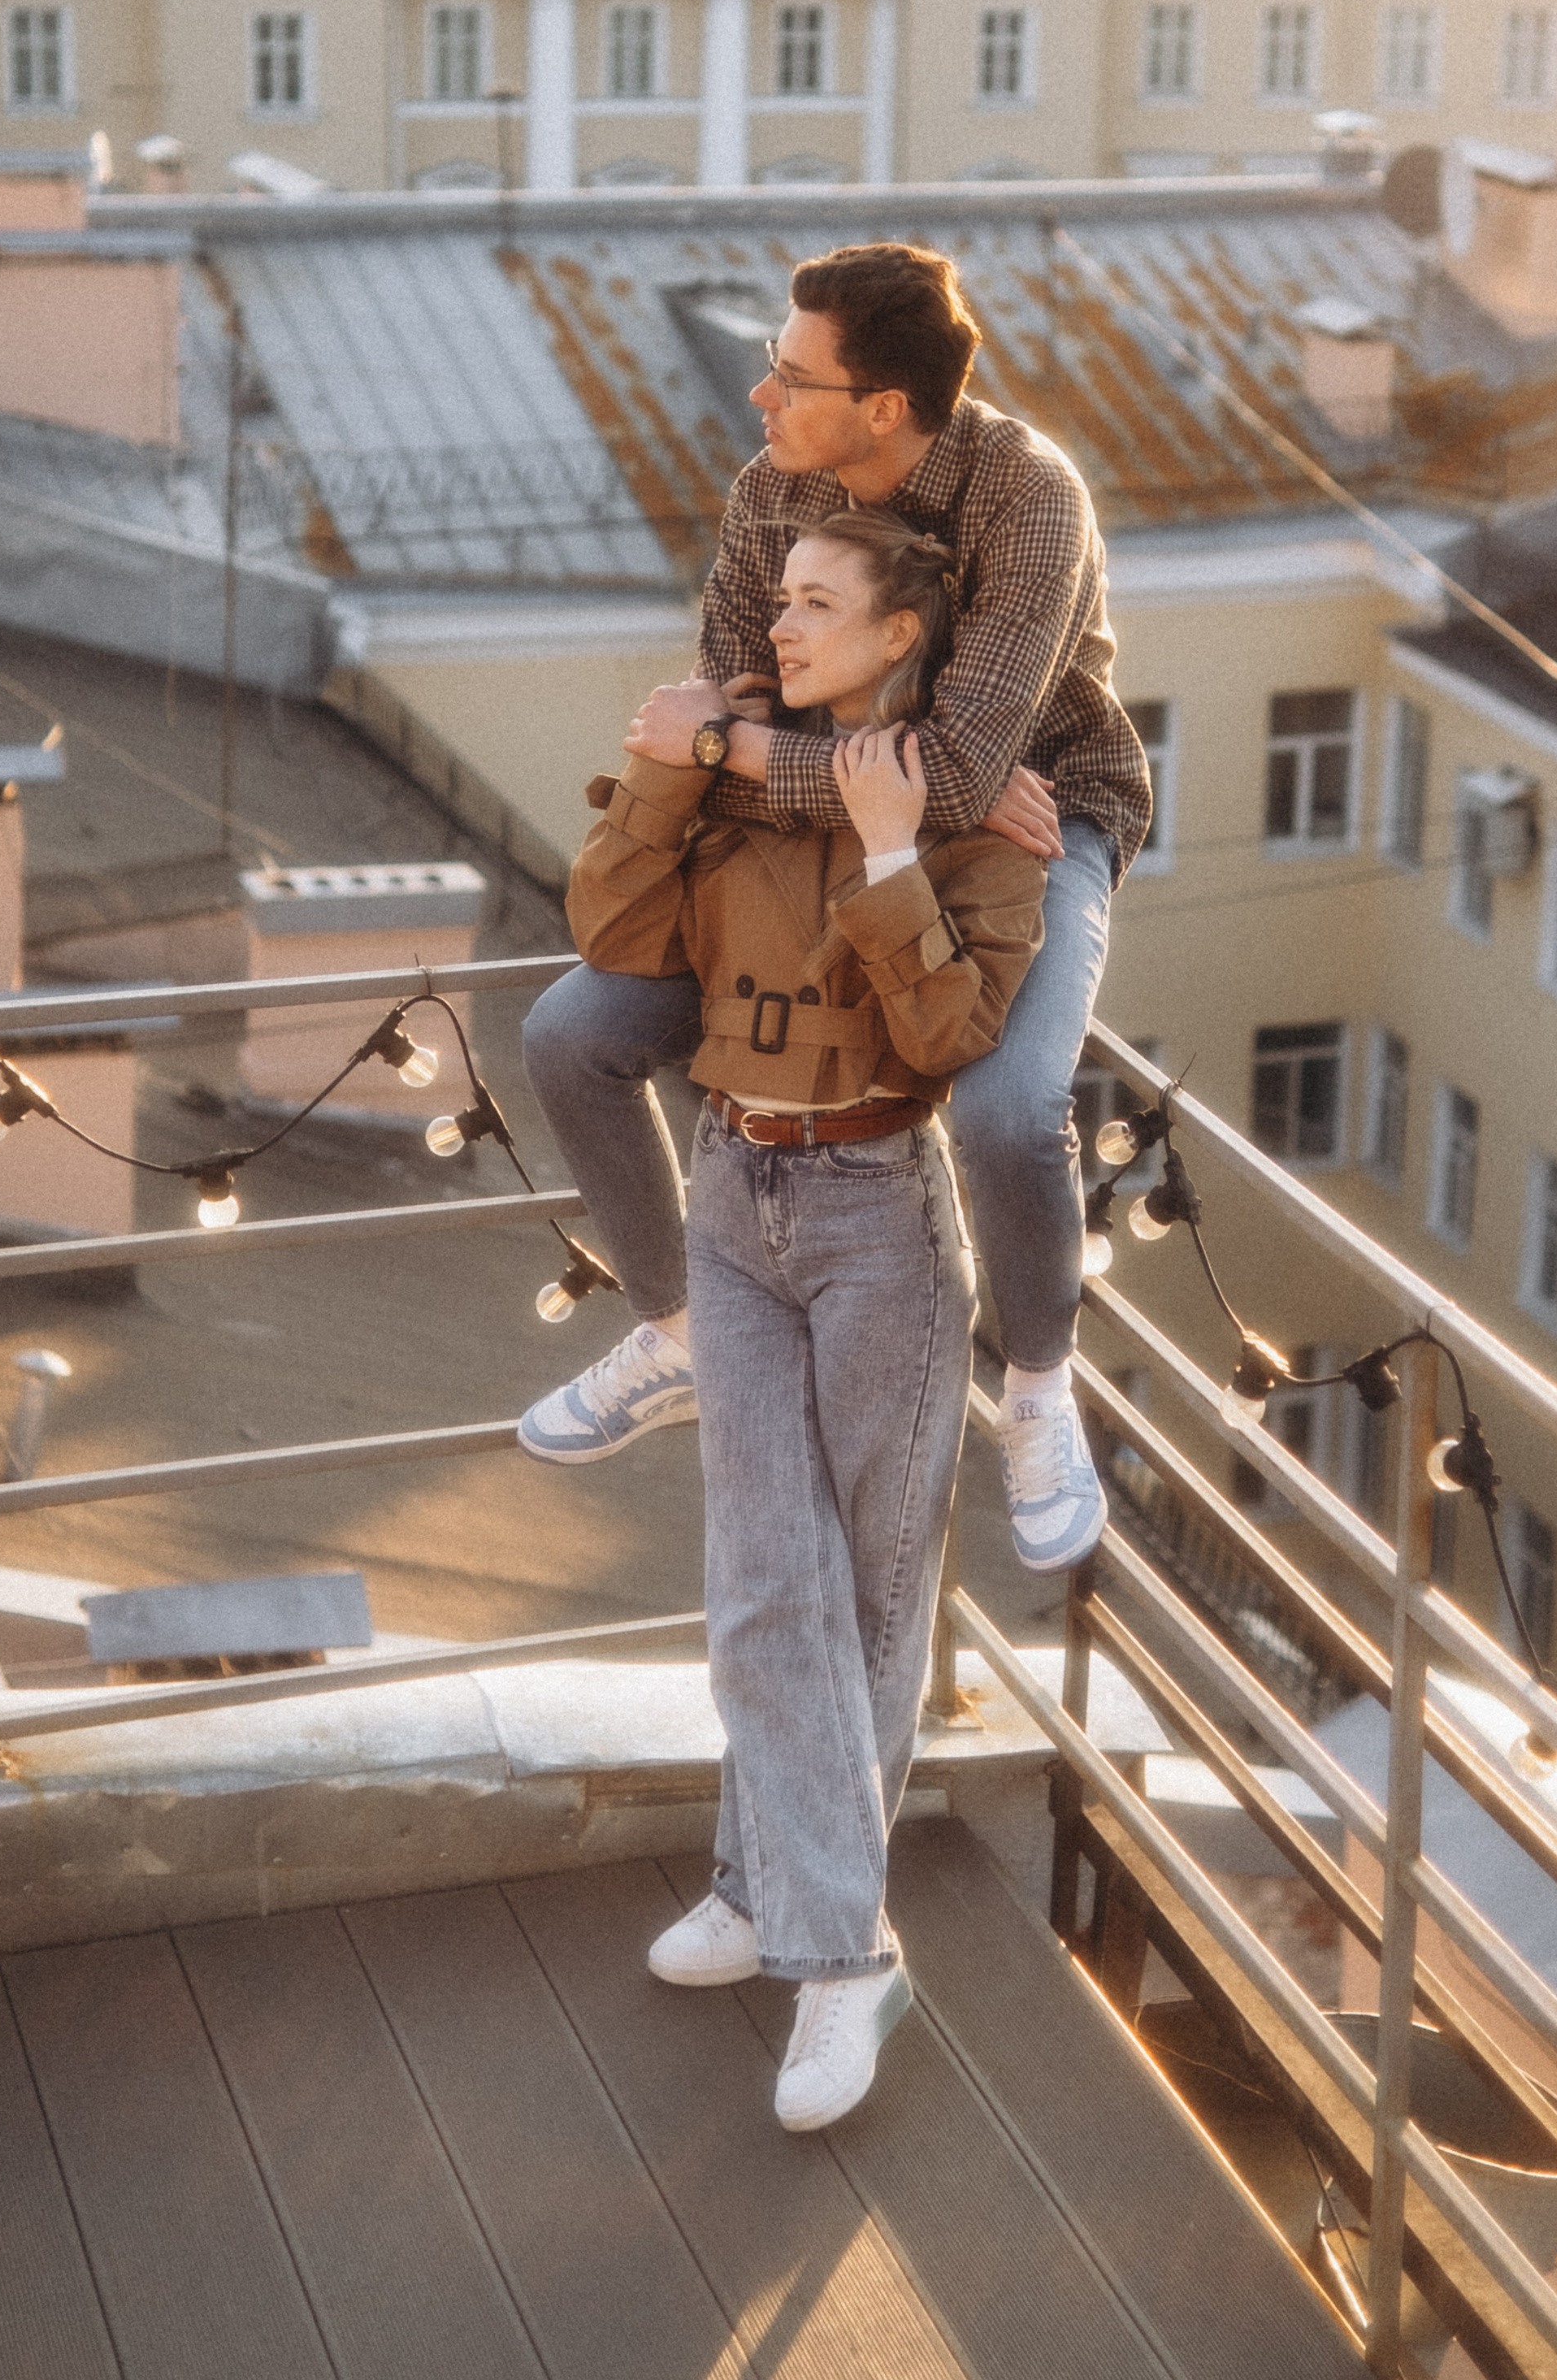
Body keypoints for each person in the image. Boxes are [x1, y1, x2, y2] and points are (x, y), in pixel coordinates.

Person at [520, 240, 1151, 1571]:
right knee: (572, 1032)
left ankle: (1040, 1389)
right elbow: (736, 689)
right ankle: (683, 1330)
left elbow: (955, 769)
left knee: (1009, 1105)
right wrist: (818, 766)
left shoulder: (1029, 499)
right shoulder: (772, 493)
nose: (762, 398)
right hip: (820, 832)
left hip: (1044, 818)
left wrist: (741, 753)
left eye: (790, 375)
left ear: (884, 410)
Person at [565, 505, 1045, 2127]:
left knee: (867, 1597)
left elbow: (955, 1034)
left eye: (819, 604)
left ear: (899, 632)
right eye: (782, 598)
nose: (781, 624)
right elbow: (612, 942)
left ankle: (806, 1927)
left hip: (877, 1217)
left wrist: (898, 855)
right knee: (764, 1574)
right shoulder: (733, 775)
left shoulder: (980, 817)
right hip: (728, 1195)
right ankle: (823, 1935)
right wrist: (662, 773)